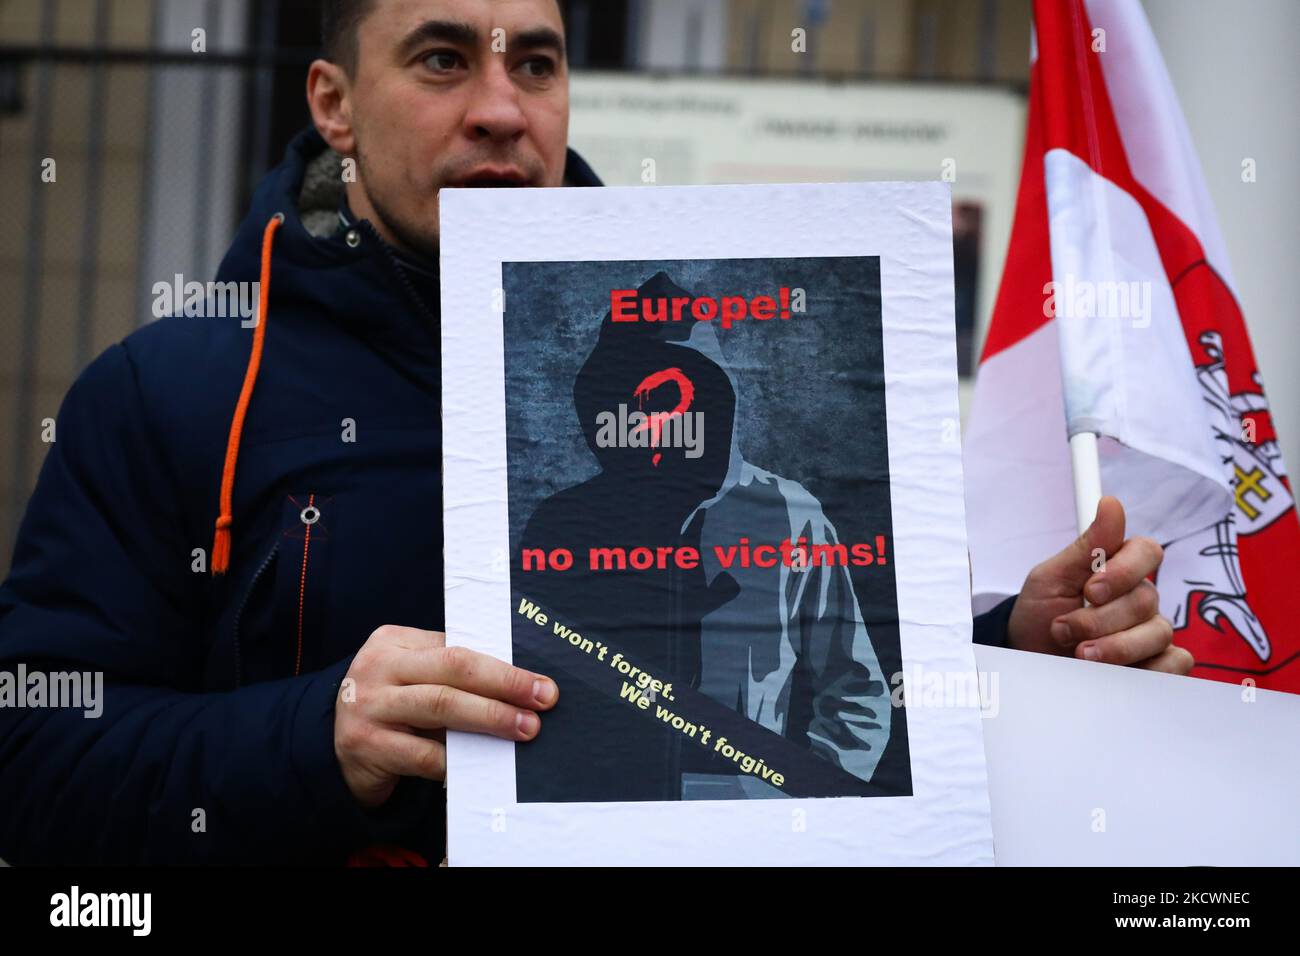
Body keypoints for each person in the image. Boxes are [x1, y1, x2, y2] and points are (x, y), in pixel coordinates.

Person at [0, 0, 1189, 865]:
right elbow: (35, 758)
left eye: (537, 61)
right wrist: (316, 734)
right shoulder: (172, 390)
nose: (502, 110)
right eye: (441, 59)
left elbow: (841, 699)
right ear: (333, 103)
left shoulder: (729, 435)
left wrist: (1009, 641)